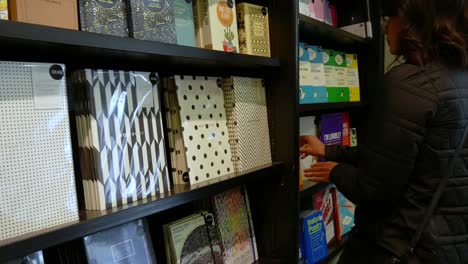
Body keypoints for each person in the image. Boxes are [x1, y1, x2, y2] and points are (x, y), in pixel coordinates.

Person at [299, 0, 468, 263]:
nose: (386, 26)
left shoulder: (410, 84)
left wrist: (335, 170)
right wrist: (329, 149)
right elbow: (407, 157)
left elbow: (373, 190)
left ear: (412, 20)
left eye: (389, 17)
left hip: (401, 248)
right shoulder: (458, 78)